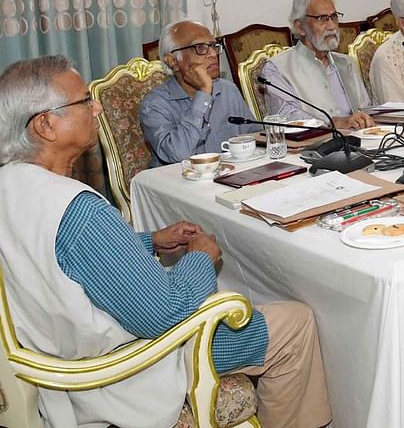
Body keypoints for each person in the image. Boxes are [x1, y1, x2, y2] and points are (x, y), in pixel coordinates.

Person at [0, 56, 331, 428]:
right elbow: (166, 314)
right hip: (125, 373)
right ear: (45, 124)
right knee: (295, 322)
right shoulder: (77, 208)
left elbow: (58, 260)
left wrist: (149, 242)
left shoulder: (13, 185)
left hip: (53, 364)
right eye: (83, 101)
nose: (96, 108)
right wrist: (200, 258)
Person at [140, 20, 255, 167]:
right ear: (172, 61)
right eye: (200, 47)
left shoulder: (227, 90)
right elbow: (178, 154)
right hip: (181, 185)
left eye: (213, 46)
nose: (213, 54)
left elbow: (254, 138)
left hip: (229, 178)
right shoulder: (154, 104)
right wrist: (203, 94)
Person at [260, 0, 374, 130]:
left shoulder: (347, 63)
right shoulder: (278, 69)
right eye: (322, 19)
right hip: (312, 148)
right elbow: (287, 118)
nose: (332, 26)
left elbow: (366, 109)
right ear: (300, 27)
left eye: (334, 17)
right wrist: (332, 124)